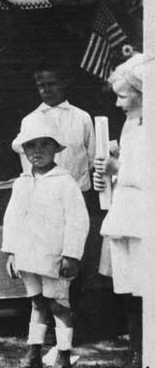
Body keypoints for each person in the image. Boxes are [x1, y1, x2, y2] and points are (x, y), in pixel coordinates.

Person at [2, 113, 89, 368]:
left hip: (54, 256)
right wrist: (11, 252)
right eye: (31, 145)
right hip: (28, 255)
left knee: (58, 305)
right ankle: (34, 351)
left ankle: (63, 353)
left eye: (44, 144)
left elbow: (77, 220)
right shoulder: (22, 183)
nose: (37, 150)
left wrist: (71, 254)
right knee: (37, 303)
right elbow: (13, 218)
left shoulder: (65, 182)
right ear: (24, 150)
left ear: (55, 148)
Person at [93, 52, 151, 368]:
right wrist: (111, 167)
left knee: (145, 284)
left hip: (146, 215)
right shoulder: (131, 124)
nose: (117, 104)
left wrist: (120, 166)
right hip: (127, 212)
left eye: (122, 96)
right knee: (128, 285)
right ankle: (135, 347)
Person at [18, 68, 95, 194]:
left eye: (52, 84)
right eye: (42, 86)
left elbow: (92, 157)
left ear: (63, 83)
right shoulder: (29, 120)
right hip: (42, 192)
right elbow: (26, 162)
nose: (47, 90)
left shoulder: (82, 117)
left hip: (76, 191)